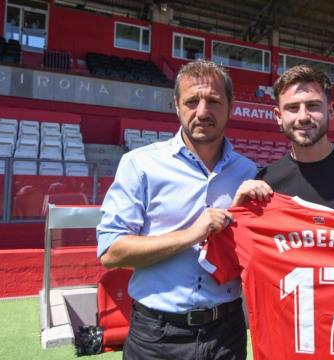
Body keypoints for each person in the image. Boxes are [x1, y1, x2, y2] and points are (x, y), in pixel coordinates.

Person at [96, 60, 256, 360]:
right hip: (156, 336)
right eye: (192, 101)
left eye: (214, 101)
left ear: (230, 107)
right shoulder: (140, 164)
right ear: (176, 105)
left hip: (227, 332)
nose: (203, 112)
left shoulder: (247, 172)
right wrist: (192, 233)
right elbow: (111, 252)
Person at [236, 65, 334, 212]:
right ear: (278, 116)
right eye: (292, 107)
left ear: (330, 110)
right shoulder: (265, 182)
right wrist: (238, 207)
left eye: (313, 105)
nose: (303, 117)